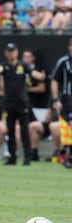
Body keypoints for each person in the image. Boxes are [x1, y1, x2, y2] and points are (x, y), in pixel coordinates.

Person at [0, 42, 45, 166]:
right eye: (9, 51)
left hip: (22, 103)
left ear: (16, 52)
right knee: (10, 131)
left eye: (13, 51)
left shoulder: (23, 65)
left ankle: (27, 157)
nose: (11, 53)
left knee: (24, 131)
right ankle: (12, 156)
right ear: (6, 53)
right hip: (9, 103)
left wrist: (40, 76)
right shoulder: (5, 66)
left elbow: (33, 73)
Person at [50, 37, 72, 168]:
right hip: (68, 98)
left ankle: (64, 151)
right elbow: (54, 80)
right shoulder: (63, 62)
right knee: (69, 125)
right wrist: (55, 99)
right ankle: (68, 155)